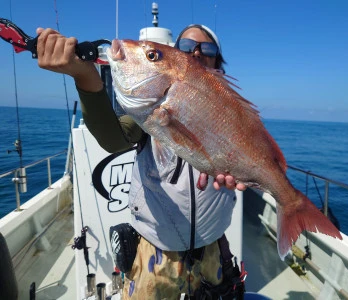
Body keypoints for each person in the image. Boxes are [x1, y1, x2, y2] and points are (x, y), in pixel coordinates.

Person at [36, 24, 246, 299]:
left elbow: (247, 156)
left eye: (207, 48)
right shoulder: (151, 109)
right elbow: (115, 138)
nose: (196, 51)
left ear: (217, 60)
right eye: (185, 47)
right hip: (156, 247)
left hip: (213, 245)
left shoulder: (231, 110)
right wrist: (85, 77)